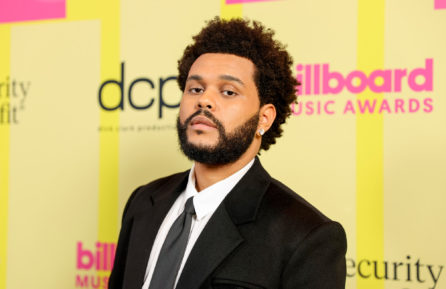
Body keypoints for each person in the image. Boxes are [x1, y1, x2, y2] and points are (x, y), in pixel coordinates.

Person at [108, 17, 347, 289]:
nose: (204, 100)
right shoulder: (144, 201)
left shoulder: (307, 236)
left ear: (264, 119)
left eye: (229, 91)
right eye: (195, 89)